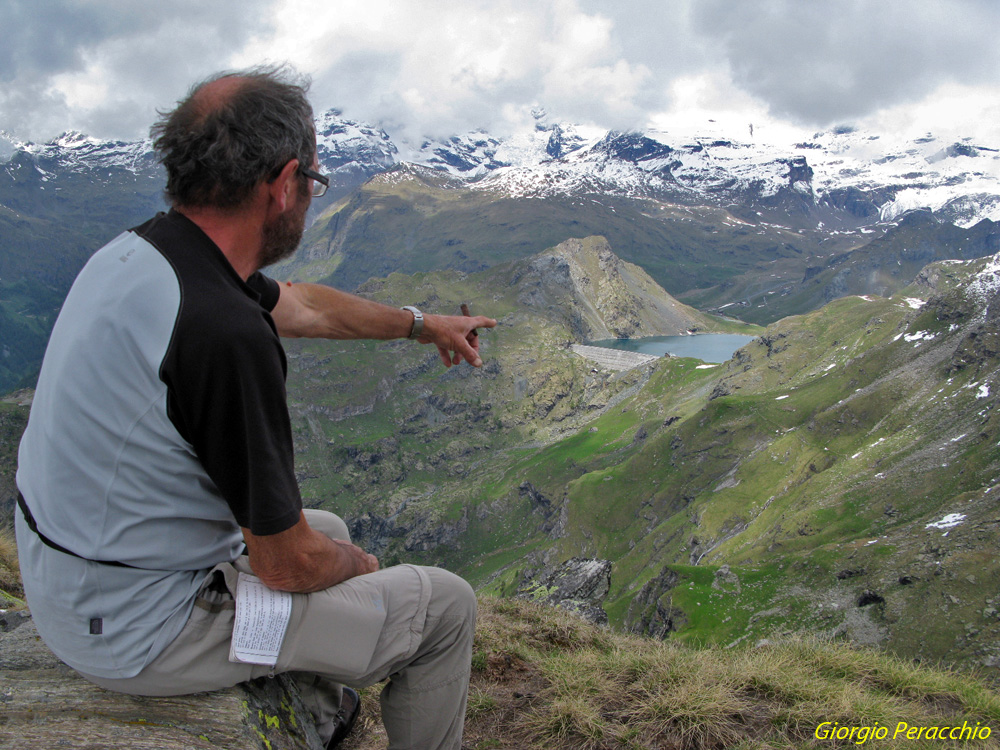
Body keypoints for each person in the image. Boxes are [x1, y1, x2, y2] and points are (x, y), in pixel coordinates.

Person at [14, 65, 497, 750]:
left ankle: (321, 697)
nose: (309, 199)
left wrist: (423, 325)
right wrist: (355, 566)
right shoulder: (223, 334)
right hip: (135, 627)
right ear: (283, 182)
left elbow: (298, 304)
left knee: (322, 523)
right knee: (443, 606)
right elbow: (287, 566)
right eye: (313, 185)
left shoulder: (149, 253)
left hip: (74, 575)